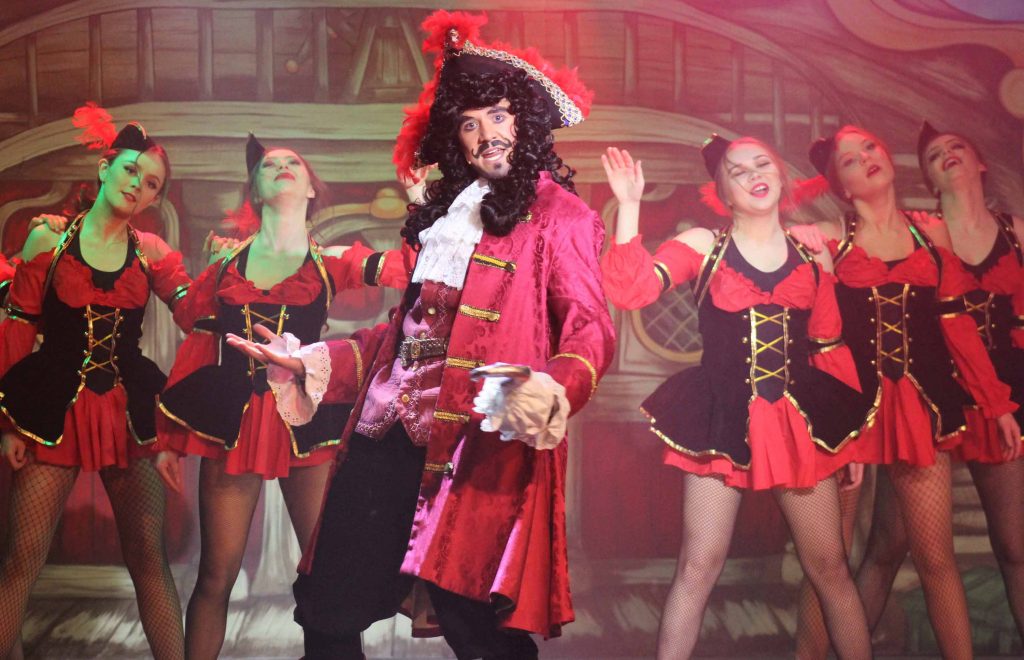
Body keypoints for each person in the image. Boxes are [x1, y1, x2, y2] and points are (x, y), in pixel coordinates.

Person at [225, 10, 615, 659]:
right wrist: (312, 361)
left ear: (524, 120)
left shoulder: (560, 216)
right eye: (469, 124)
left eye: (498, 115)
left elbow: (589, 325)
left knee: (480, 628)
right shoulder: (445, 220)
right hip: (385, 436)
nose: (486, 134)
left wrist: (557, 385)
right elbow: (403, 337)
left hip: (477, 445)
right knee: (326, 607)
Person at [601, 139, 871, 659]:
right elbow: (631, 291)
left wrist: (848, 439)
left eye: (762, 164)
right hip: (721, 421)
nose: (753, 175)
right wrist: (629, 206)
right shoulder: (704, 243)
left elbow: (827, 342)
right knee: (698, 565)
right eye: (737, 171)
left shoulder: (811, 250)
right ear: (721, 191)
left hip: (798, 425)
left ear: (782, 176)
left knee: (830, 568)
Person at [154, 135, 411, 659]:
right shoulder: (226, 262)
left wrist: (422, 198)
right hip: (236, 423)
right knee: (215, 575)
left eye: (294, 162)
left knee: (327, 573)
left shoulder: (331, 259)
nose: (282, 167)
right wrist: (169, 438)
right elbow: (195, 333)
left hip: (307, 419)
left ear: (312, 188)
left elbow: (410, 269)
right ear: (255, 189)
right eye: (270, 165)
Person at [793, 125, 1020, 660]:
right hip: (846, 409)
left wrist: (996, 404)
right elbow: (815, 328)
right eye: (850, 160)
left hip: (917, 408)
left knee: (936, 560)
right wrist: (797, 239)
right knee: (829, 563)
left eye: (869, 147)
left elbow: (958, 327)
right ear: (841, 186)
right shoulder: (829, 234)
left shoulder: (931, 234)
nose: (866, 158)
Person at [0, 105, 189, 659]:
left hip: (127, 410)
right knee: (22, 560)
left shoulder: (152, 253)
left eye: (151, 183)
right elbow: (18, 330)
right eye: (131, 170)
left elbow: (196, 317)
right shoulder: (48, 239)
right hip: (50, 407)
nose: (138, 185)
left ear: (154, 199)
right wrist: (7, 424)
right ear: (105, 168)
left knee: (149, 558)